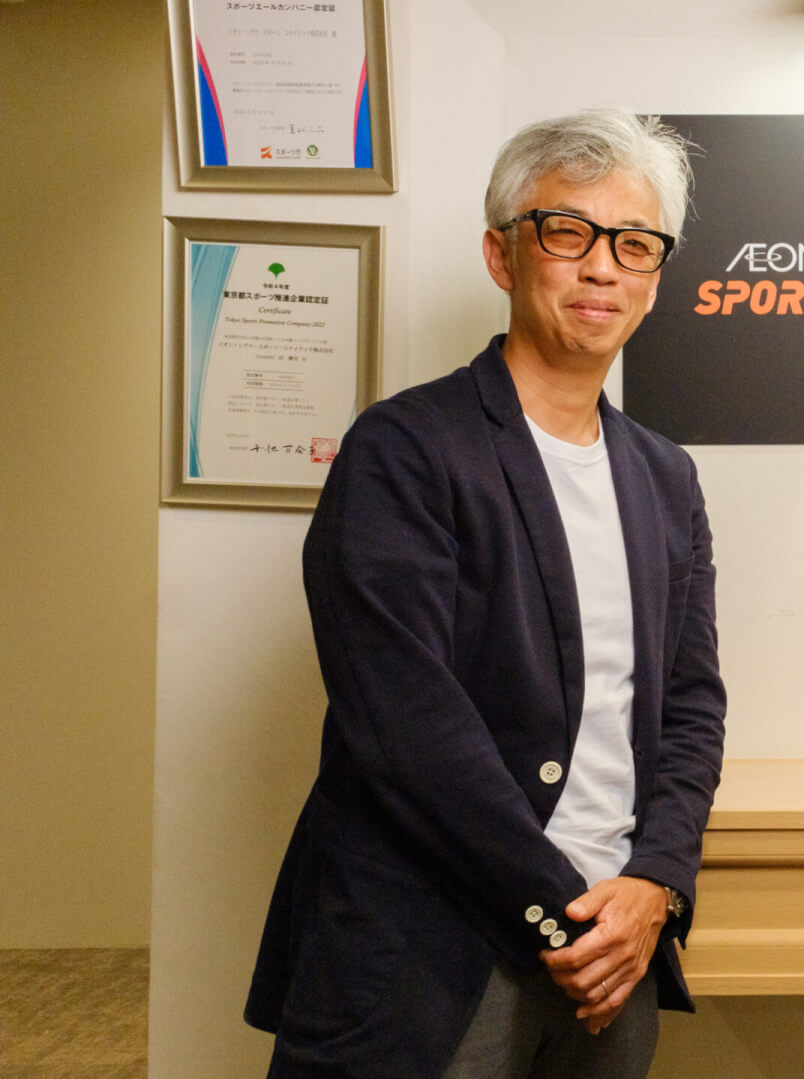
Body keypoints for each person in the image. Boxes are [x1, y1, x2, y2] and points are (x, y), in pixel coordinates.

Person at [244, 108, 727, 1079]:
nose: (602, 268)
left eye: (634, 244)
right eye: (568, 232)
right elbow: (406, 724)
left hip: (615, 950)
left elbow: (690, 704)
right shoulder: (403, 451)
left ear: (654, 277)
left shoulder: (664, 475)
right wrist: (557, 911)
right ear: (502, 255)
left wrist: (656, 885)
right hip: (430, 947)